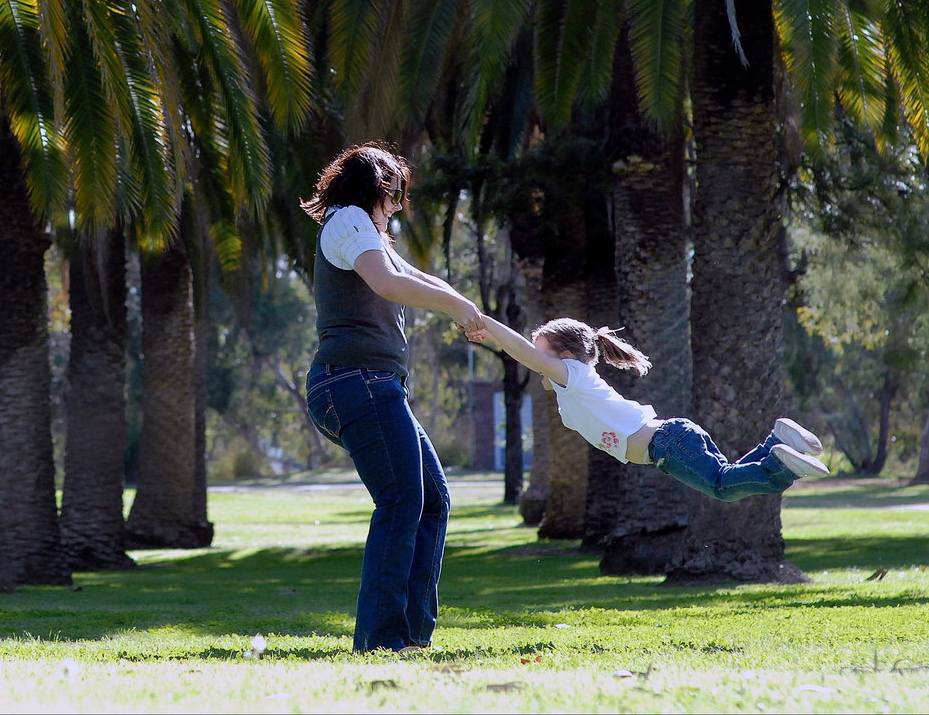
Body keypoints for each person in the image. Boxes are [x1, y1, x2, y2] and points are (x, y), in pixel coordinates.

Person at [301, 144, 486, 654]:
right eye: (398, 193)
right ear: (379, 190)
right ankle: (382, 642)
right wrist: (456, 306)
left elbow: (414, 277)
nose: (401, 207)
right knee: (404, 499)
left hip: (369, 385)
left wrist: (467, 310)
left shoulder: (363, 229)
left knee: (432, 500)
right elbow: (388, 283)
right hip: (354, 382)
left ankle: (410, 636)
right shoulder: (349, 223)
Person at [464, 315, 829, 500]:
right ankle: (776, 441)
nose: (534, 362)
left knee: (721, 487)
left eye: (540, 354)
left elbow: (521, 351)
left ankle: (780, 465)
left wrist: (486, 325)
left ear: (565, 356)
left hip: (666, 444)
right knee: (729, 474)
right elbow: (526, 353)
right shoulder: (575, 380)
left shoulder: (572, 374)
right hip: (670, 437)